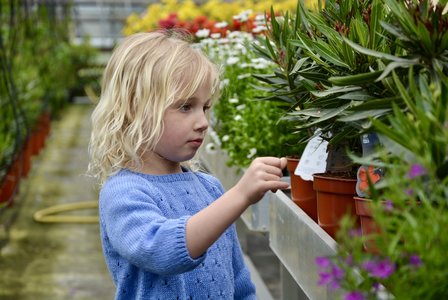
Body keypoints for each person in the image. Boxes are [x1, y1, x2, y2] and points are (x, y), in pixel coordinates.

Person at [88, 31, 289, 300]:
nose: (203, 122)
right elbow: (163, 250)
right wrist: (240, 196)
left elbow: (239, 281)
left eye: (204, 107)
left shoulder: (209, 187)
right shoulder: (124, 192)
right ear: (135, 110)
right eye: (185, 107)